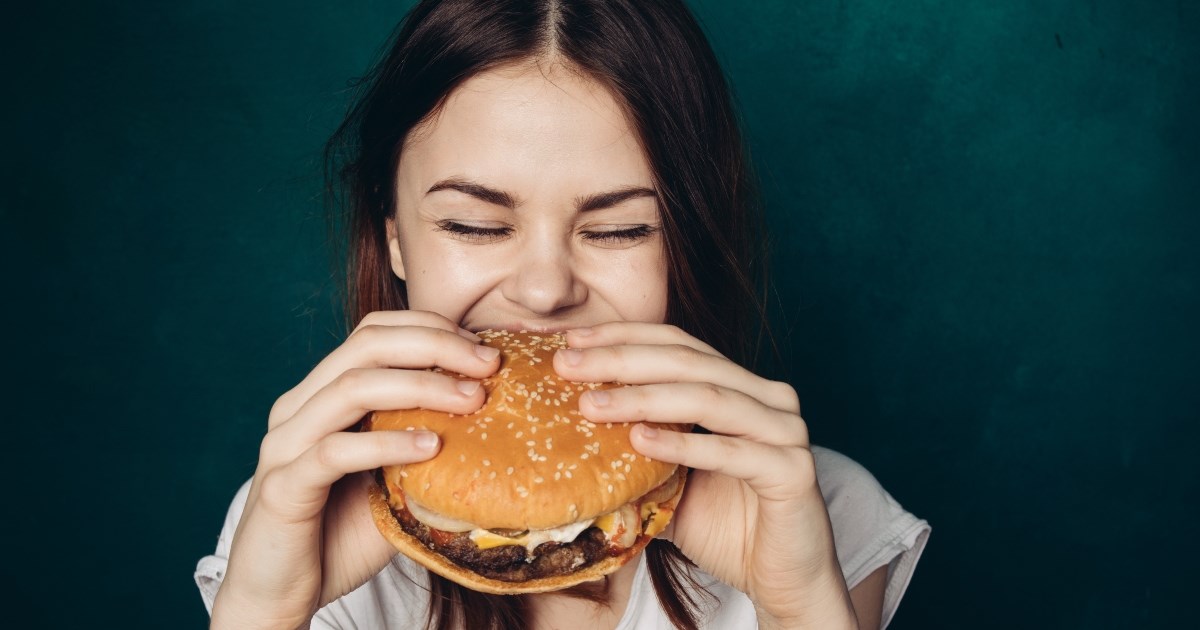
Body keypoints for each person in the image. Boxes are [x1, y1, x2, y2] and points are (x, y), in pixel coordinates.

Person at [194, 1, 930, 628]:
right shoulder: (303, 510)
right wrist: (264, 608)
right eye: (475, 226)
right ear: (394, 240)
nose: (546, 291)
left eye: (620, 230)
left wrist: (799, 604)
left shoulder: (814, 508)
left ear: (686, 246)